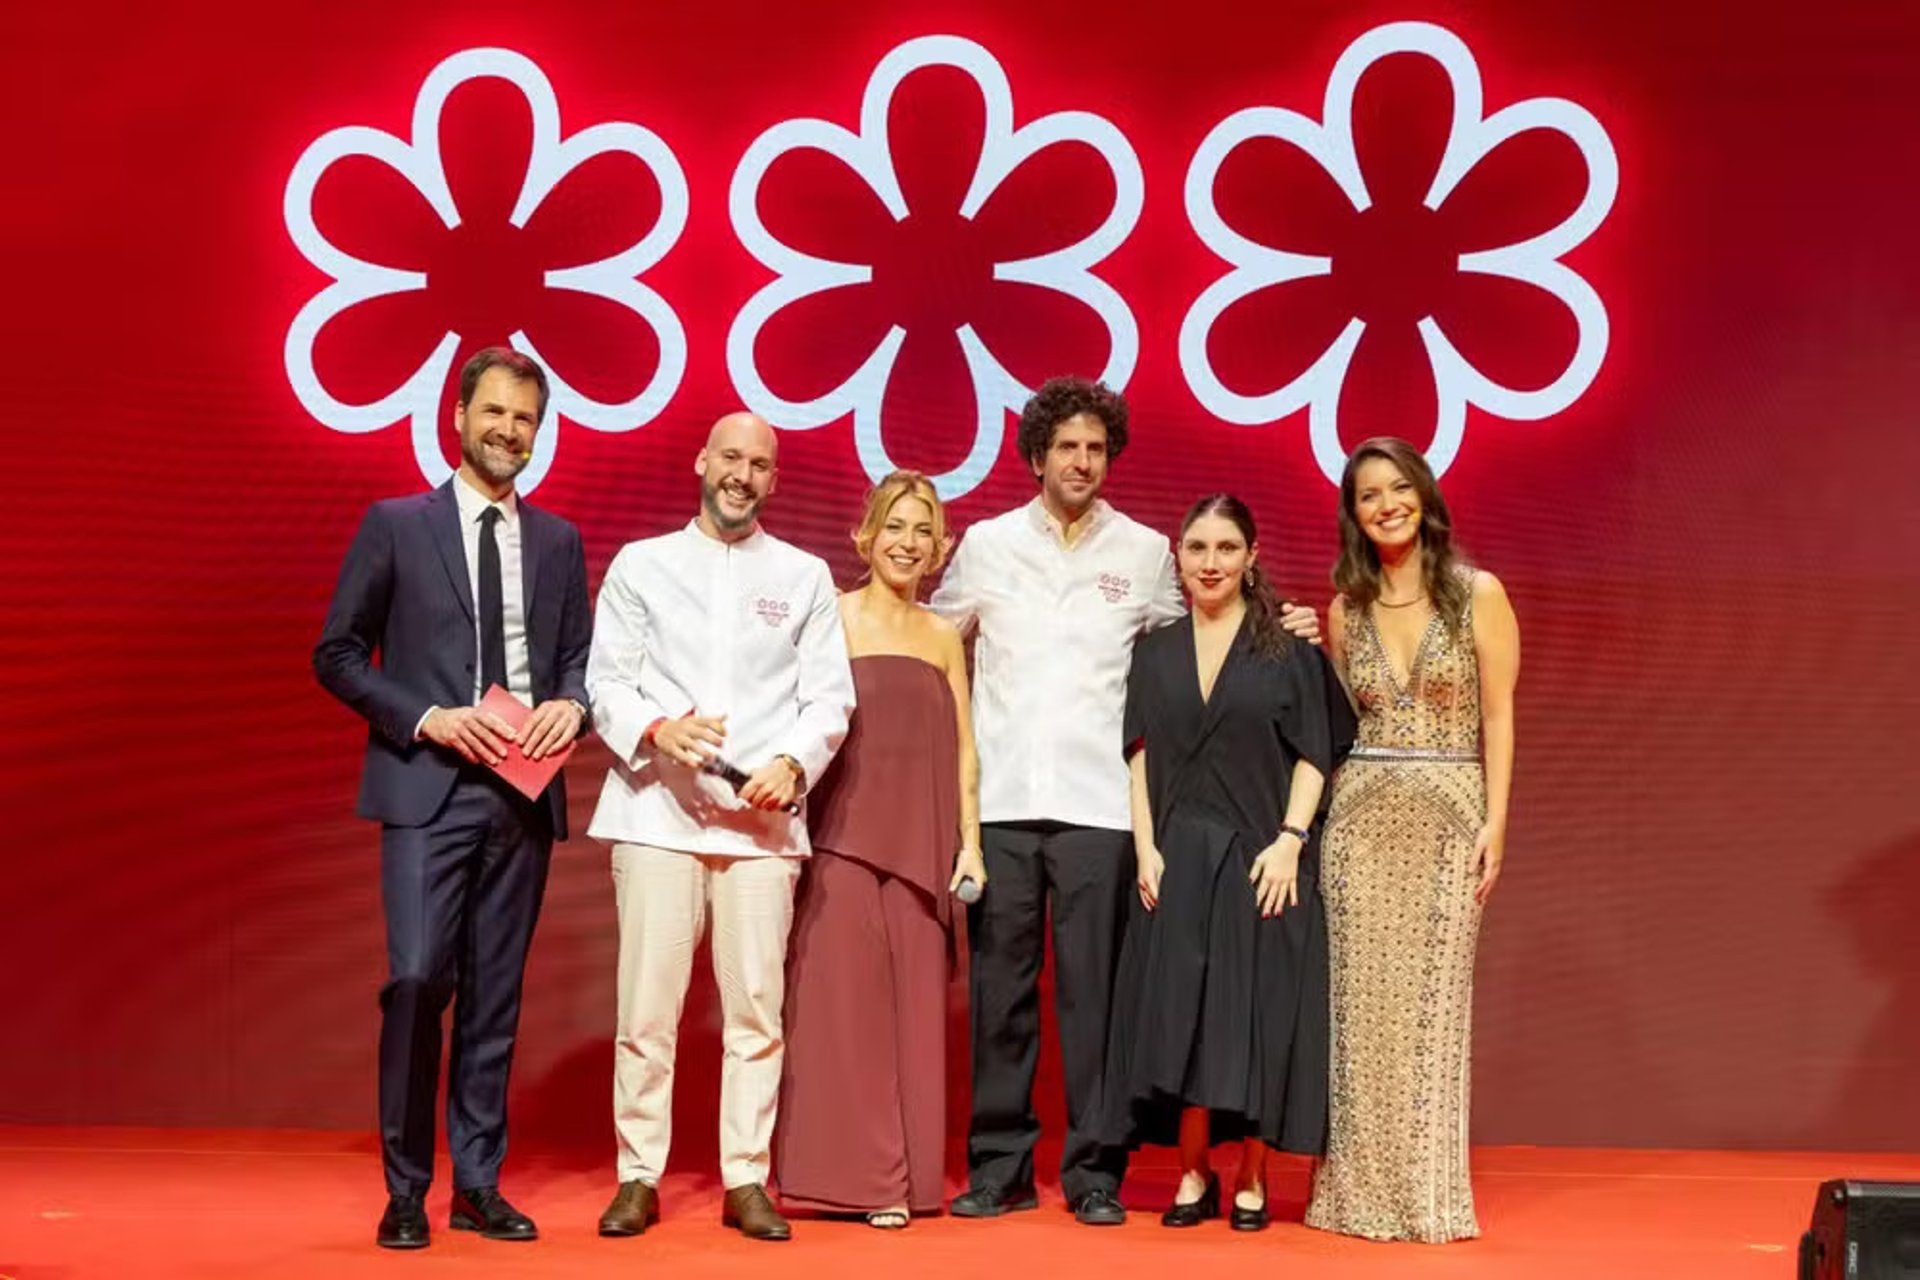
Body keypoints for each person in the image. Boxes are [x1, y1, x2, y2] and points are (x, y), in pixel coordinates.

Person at [929, 376, 1318, 1225]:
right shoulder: (989, 544)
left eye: (1095, 448)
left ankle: (1095, 1169)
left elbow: (1209, 635)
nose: (1080, 460)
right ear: (1037, 456)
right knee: (1002, 999)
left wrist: (1291, 628)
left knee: (1096, 1002)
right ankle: (997, 1166)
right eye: (1065, 446)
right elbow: (935, 639)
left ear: (1110, 459)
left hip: (1103, 810)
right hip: (998, 803)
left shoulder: (1145, 553)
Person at [313, 347, 592, 1250]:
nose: (510, 432)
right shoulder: (395, 524)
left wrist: (572, 704)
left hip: (522, 797)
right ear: (459, 416)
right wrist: (428, 717)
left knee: (495, 996)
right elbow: (339, 655)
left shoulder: (557, 540)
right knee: (416, 979)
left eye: (526, 420)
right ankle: (406, 1187)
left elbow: (580, 663)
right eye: (496, 414)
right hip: (427, 789)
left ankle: (477, 1182)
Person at [586, 411, 855, 1243]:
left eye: (760, 464)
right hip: (658, 817)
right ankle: (638, 1174)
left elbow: (829, 699)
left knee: (757, 1014)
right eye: (731, 457)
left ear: (775, 480)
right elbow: (607, 684)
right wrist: (658, 730)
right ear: (703, 462)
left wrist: (796, 764)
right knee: (646, 1011)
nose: (743, 474)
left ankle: (746, 1176)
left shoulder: (806, 575)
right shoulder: (644, 564)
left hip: (761, 831)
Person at [1099, 494, 1354, 1231]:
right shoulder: (1155, 649)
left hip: (1261, 860)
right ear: (1177, 558)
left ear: (1251, 559)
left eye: (1225, 548)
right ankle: (1189, 1174)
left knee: (1257, 1017)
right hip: (1176, 859)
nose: (1210, 563)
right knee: (1184, 1018)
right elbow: (1140, 755)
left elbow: (1315, 752)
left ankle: (1250, 1177)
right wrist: (1146, 848)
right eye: (1197, 548)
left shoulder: (1289, 649)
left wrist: (1290, 839)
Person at [1304, 437, 1520, 1243]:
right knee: (1360, 1013)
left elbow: (1498, 713)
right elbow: (1342, 722)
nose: (1386, 504)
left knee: (1431, 1011)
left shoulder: (1476, 594)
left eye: (1398, 488)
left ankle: (1428, 1198)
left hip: (1450, 811)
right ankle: (1354, 1196)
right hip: (1359, 818)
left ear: (1423, 496)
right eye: (1368, 495)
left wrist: (1497, 822)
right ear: (1353, 513)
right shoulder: (1344, 607)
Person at [775, 470, 985, 1229]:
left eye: (923, 529)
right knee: (842, 1016)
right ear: (866, 537)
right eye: (895, 526)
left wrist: (971, 845)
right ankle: (862, 1180)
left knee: (914, 1019)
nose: (908, 542)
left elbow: (964, 747)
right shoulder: (829, 617)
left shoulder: (942, 635)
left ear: (940, 548)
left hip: (924, 846)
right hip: (840, 839)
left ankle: (907, 1176)